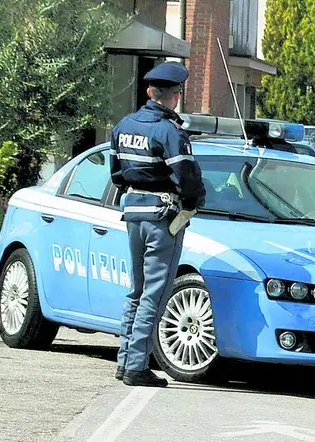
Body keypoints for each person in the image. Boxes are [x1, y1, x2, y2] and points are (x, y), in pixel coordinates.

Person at [110, 61, 206, 387]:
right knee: (155, 294)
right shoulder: (169, 131)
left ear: (150, 92)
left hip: (133, 214)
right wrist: (193, 204)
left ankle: (125, 361)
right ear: (175, 96)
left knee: (136, 292)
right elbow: (188, 180)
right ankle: (137, 366)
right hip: (163, 218)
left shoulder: (123, 125)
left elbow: (116, 174)